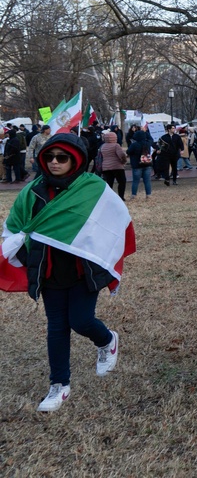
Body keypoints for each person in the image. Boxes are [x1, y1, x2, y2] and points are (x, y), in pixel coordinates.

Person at [2, 133, 132, 412]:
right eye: (48, 157)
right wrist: (27, 255)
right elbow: (15, 228)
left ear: (76, 160)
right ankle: (59, 385)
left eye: (62, 157)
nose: (54, 162)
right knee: (57, 328)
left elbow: (115, 221)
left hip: (82, 271)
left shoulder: (93, 188)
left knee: (81, 321)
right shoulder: (32, 191)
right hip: (48, 272)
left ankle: (107, 339)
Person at [98, 130, 129, 200]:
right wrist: (124, 161)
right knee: (122, 182)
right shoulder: (116, 145)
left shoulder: (103, 146)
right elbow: (121, 155)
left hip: (106, 167)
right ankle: (121, 197)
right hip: (117, 166)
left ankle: (109, 198)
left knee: (109, 183)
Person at [126, 131, 154, 199]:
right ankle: (148, 194)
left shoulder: (134, 145)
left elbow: (128, 152)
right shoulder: (148, 143)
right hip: (147, 164)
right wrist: (146, 132)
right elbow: (151, 139)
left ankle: (134, 195)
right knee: (147, 181)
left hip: (137, 165)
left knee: (135, 181)